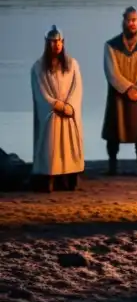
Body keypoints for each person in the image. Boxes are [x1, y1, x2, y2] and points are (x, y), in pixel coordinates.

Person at [102, 7, 137, 176]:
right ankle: (112, 164)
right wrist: (127, 88)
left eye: (135, 20)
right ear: (124, 22)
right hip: (120, 95)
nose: (132, 23)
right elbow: (111, 72)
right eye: (129, 20)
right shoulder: (111, 45)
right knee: (115, 130)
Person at [30, 26, 85, 192]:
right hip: (52, 112)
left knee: (70, 145)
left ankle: (70, 178)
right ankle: (49, 179)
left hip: (69, 112)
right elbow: (40, 92)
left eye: (60, 41)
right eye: (54, 41)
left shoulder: (72, 64)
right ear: (48, 43)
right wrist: (55, 104)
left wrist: (70, 106)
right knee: (50, 146)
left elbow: (77, 88)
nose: (57, 45)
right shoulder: (38, 67)